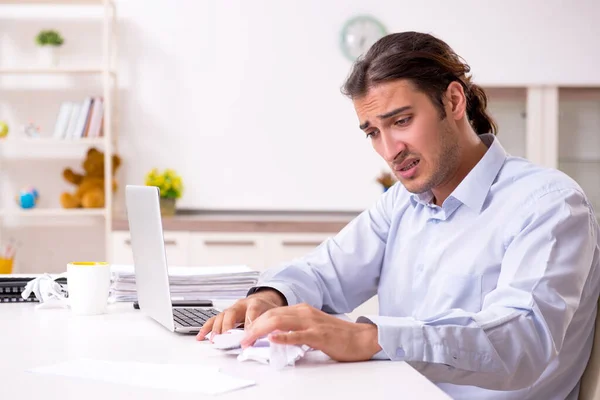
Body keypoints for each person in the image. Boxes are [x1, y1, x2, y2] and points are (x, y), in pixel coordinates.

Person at [197, 31, 600, 399]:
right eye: (373, 132)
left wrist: (369, 338)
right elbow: (325, 271)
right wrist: (271, 297)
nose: (390, 150)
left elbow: (521, 342)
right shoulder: (404, 203)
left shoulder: (549, 204)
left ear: (453, 101)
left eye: (401, 121)